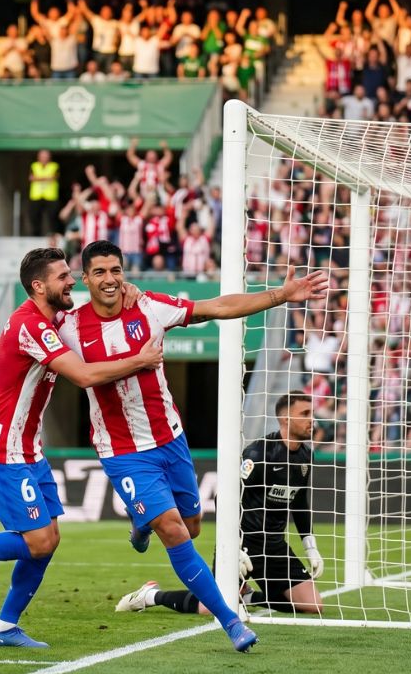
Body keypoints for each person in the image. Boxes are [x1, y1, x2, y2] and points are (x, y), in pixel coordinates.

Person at [65, 241, 322, 648]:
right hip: (122, 450)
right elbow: (35, 352)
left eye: (116, 270)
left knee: (192, 526)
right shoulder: (70, 326)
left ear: (124, 272)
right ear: (86, 279)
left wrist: (280, 296)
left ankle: (141, 522)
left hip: (170, 438)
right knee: (173, 531)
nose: (110, 279)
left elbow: (216, 307)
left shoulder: (148, 307)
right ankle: (231, 622)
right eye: (99, 272)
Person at [0, 247, 163, 648]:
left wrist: (127, 289)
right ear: (39, 286)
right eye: (63, 276)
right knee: (38, 541)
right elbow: (84, 376)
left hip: (28, 448)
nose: (72, 281)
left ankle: (4, 628)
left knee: (48, 539)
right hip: (2, 449)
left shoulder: (52, 320)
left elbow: (12, 366)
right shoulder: (30, 324)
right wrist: (139, 360)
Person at [118, 391, 324, 615]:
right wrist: (232, 543)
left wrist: (310, 546)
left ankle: (245, 596)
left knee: (312, 605)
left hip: (275, 545)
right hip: (243, 541)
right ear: (285, 419)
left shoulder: (306, 456)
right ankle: (151, 596)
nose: (311, 419)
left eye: (312, 413)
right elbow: (224, 496)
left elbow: (300, 501)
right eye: (305, 413)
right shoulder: (258, 454)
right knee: (210, 608)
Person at [28, 149, 59, 236]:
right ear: (38, 157)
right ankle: (36, 236)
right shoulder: (34, 166)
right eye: (42, 156)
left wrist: (38, 178)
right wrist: (47, 178)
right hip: (36, 196)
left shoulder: (54, 166)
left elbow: (54, 177)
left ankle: (53, 235)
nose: (44, 158)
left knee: (52, 217)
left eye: (46, 156)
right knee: (35, 217)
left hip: (50, 196)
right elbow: (31, 178)